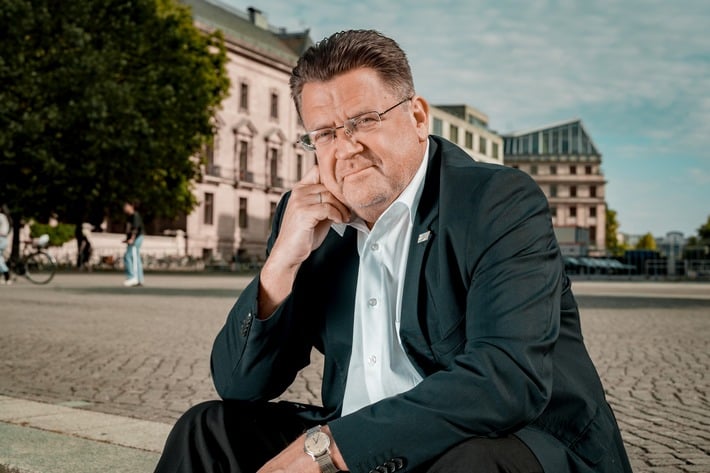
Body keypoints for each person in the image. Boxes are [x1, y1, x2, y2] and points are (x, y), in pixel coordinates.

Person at [155, 30, 632, 473]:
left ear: (418, 117)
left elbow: (507, 378)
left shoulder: (495, 201)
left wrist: (329, 448)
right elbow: (239, 384)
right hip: (366, 443)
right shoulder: (307, 220)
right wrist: (281, 263)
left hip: (504, 443)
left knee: (469, 465)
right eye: (325, 133)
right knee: (206, 430)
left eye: (363, 121)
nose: (346, 148)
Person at [122, 201, 144, 287]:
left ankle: (132, 277)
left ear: (131, 206)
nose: (124, 208)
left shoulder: (135, 215)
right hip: (134, 239)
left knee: (130, 256)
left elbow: (135, 228)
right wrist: (127, 239)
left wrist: (132, 239)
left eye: (126, 206)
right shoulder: (130, 217)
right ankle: (139, 279)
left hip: (136, 238)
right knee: (135, 257)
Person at [0, 204, 12, 285]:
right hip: (4, 239)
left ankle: (7, 275)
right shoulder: (6, 217)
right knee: (1, 259)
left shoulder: (1, 216)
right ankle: (5, 276)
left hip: (1, 239)